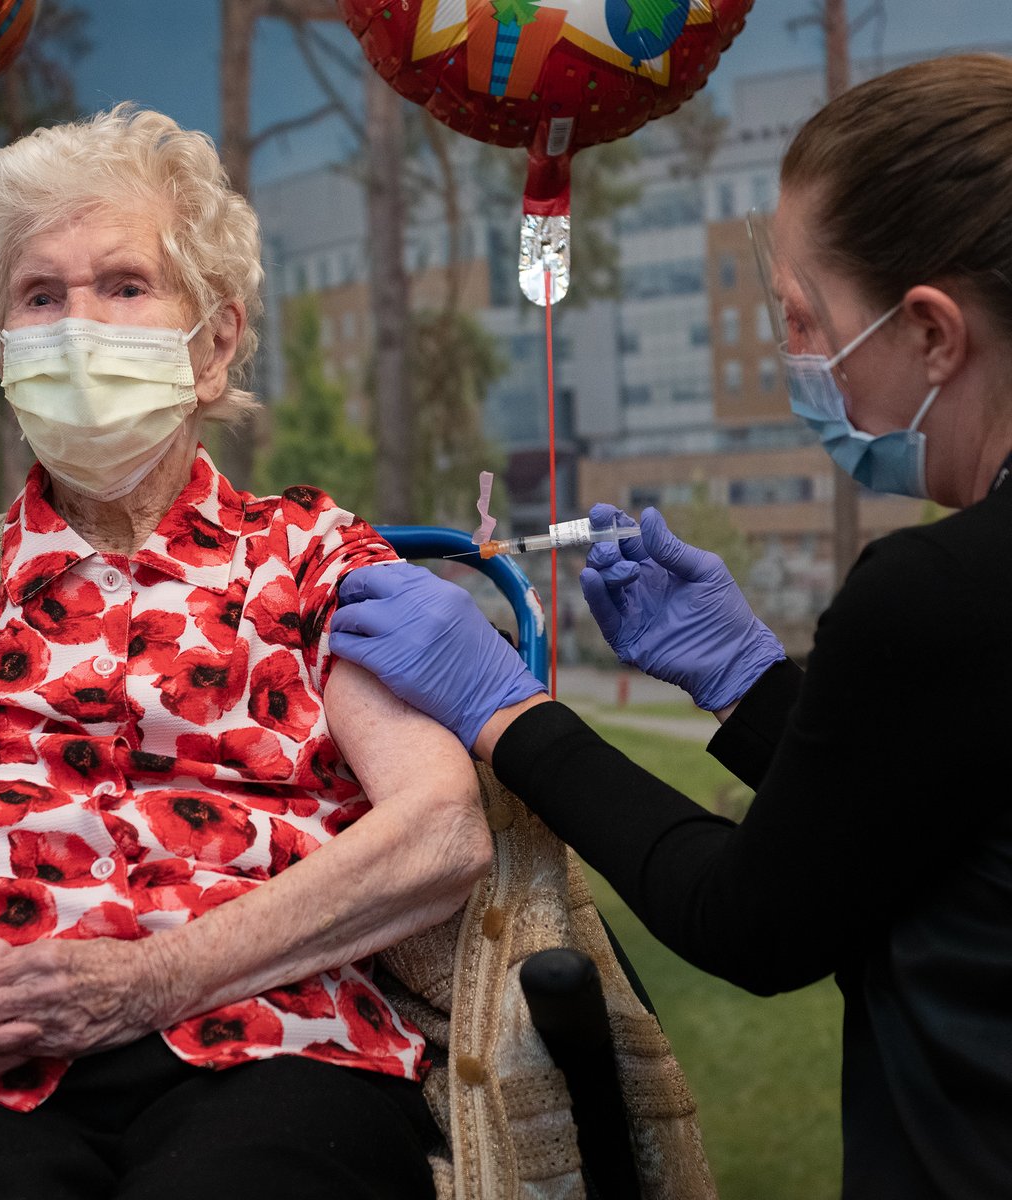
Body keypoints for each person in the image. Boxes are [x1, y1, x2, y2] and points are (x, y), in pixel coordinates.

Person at [328, 53, 1012, 1199]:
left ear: (934, 333)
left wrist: (505, 710)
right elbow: (908, 821)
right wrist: (750, 686)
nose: (805, 366)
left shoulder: (939, 589)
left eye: (807, 325)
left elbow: (757, 917)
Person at [0, 104, 497, 1200]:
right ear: (0, 352)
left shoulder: (315, 557)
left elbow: (441, 830)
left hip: (273, 1050)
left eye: (126, 285)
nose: (79, 325)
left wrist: (156, 977)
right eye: (41, 296)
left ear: (214, 343)